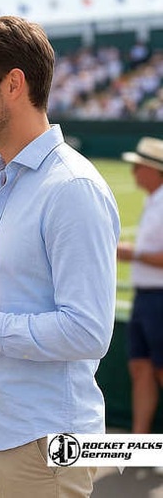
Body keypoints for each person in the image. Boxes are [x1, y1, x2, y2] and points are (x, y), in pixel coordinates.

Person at [0, 16, 120, 497]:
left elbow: (88, 331)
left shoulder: (72, 188)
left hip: (46, 442)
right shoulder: (3, 185)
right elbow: (3, 303)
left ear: (13, 84)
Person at [117, 137, 163, 437]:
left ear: (152, 169)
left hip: (158, 297)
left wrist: (132, 254)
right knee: (141, 368)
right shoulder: (153, 200)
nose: (134, 172)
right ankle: (140, 443)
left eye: (139, 166)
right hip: (146, 296)